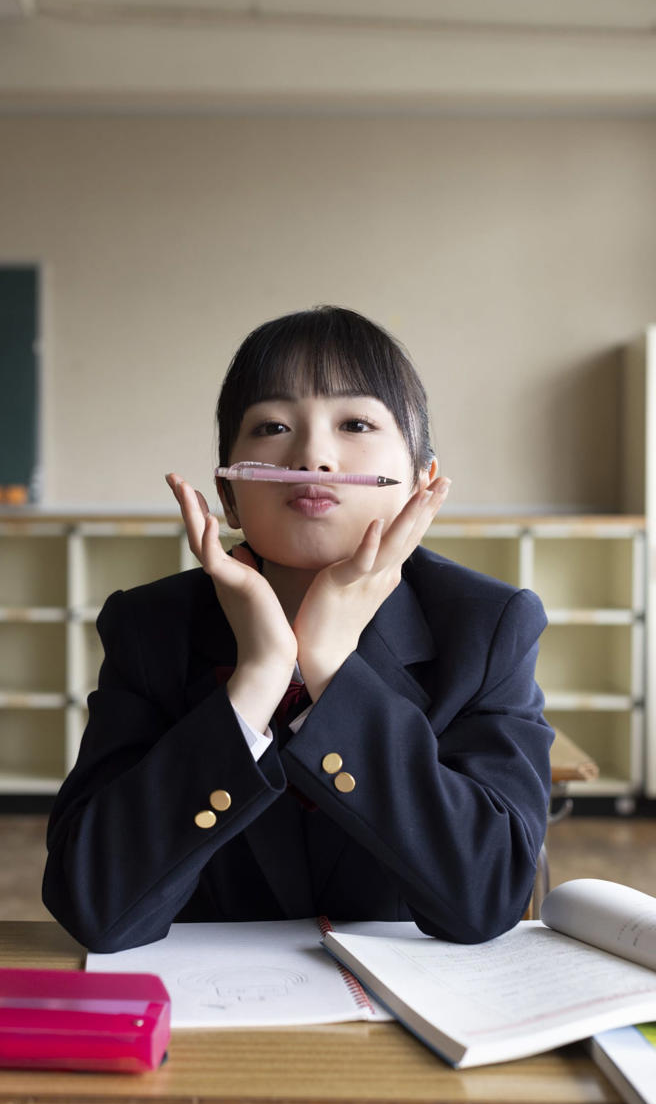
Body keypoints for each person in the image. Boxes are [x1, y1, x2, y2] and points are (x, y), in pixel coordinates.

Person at [43, 306, 553, 952]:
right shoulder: (149, 629)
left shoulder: (488, 628)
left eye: (357, 423)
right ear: (229, 495)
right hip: (211, 1030)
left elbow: (487, 898)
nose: (313, 456)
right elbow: (93, 904)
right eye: (273, 426)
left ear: (423, 484)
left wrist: (331, 667)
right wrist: (257, 681)